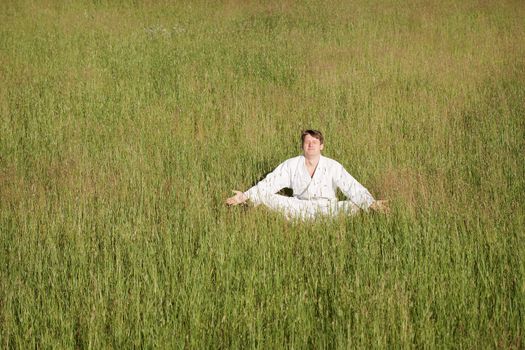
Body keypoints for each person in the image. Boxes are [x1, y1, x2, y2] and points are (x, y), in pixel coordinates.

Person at [225, 130, 389, 220]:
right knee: (267, 196)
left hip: (328, 209)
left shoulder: (332, 166)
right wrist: (243, 196)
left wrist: (372, 203)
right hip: (299, 207)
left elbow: (352, 186)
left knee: (354, 204)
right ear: (302, 146)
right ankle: (247, 202)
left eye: (314, 142)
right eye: (307, 142)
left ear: (321, 146)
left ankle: (369, 206)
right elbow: (269, 183)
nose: (310, 145)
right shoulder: (291, 164)